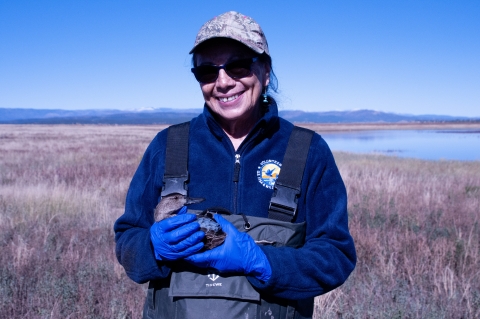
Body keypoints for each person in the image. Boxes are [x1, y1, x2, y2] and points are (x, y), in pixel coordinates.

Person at [114, 11, 356, 319]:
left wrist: (262, 262)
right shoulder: (167, 146)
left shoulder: (308, 151)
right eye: (207, 71)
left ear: (265, 72)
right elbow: (127, 239)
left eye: (238, 66)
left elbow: (335, 255)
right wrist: (152, 247)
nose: (223, 82)